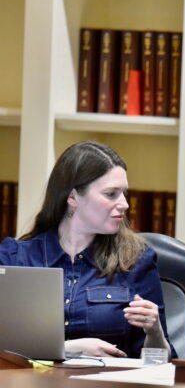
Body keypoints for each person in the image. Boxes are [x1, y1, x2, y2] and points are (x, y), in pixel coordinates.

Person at [0, 141, 175, 358]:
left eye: (124, 193)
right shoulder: (14, 258)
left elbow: (161, 362)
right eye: (111, 194)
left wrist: (155, 331)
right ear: (72, 197)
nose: (124, 204)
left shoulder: (137, 261)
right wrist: (69, 349)